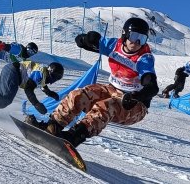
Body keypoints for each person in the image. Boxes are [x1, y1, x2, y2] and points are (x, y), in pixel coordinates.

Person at [25, 17, 159, 148]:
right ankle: (53, 126)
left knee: (106, 106)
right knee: (80, 94)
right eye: (133, 36)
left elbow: (152, 87)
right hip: (113, 90)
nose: (136, 42)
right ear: (125, 35)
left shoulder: (144, 58)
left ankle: (73, 137)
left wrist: (138, 96)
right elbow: (80, 41)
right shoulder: (114, 45)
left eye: (141, 39)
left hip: (135, 104)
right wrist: (87, 40)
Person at [0, 62, 64, 112]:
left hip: (10, 70)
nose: (55, 80)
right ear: (50, 71)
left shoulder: (43, 75)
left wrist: (51, 94)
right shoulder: (41, 72)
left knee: (0, 98)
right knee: (5, 100)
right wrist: (36, 104)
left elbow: (43, 86)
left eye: (58, 78)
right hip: (13, 72)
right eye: (55, 76)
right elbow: (28, 88)